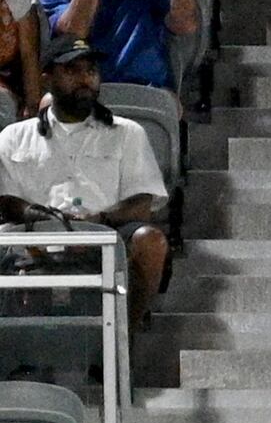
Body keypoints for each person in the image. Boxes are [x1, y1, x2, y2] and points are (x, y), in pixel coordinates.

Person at [0, 32, 165, 307]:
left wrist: (99, 220)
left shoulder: (127, 133)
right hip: (31, 235)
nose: (85, 78)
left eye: (90, 70)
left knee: (150, 241)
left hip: (105, 236)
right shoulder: (12, 137)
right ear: (46, 79)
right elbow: (5, 201)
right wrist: (40, 217)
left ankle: (127, 340)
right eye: (71, 70)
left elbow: (141, 204)